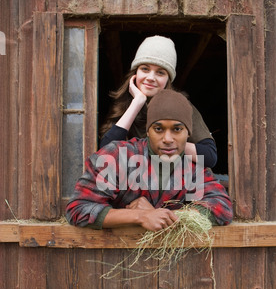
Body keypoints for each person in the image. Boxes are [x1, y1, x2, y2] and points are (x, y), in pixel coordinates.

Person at [66, 90, 232, 231]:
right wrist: (140, 216)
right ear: (147, 131)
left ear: (188, 134)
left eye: (177, 129)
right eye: (158, 129)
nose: (168, 138)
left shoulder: (192, 167)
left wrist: (165, 216)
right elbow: (79, 209)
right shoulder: (118, 156)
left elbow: (221, 207)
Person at [99, 35, 217, 167]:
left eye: (160, 72)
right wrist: (137, 103)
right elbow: (105, 154)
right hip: (137, 182)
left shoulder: (181, 106)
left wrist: (166, 143)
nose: (150, 77)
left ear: (168, 79)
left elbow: (210, 156)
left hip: (175, 182)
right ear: (135, 73)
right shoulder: (123, 105)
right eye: (145, 69)